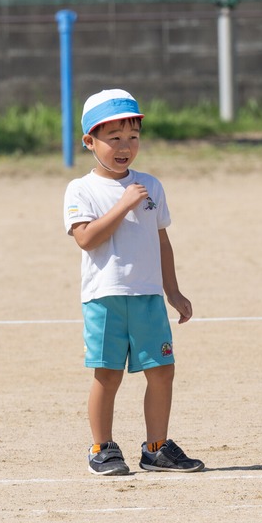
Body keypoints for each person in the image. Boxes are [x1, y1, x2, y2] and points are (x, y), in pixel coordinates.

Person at [63, 88, 205, 476]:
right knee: (107, 375)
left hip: (148, 297)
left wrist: (172, 291)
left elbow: (162, 241)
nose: (125, 147)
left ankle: (156, 448)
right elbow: (86, 238)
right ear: (89, 141)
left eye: (133, 137)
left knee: (162, 370)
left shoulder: (151, 186)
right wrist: (122, 204)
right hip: (105, 298)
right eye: (114, 138)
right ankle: (102, 448)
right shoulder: (81, 189)